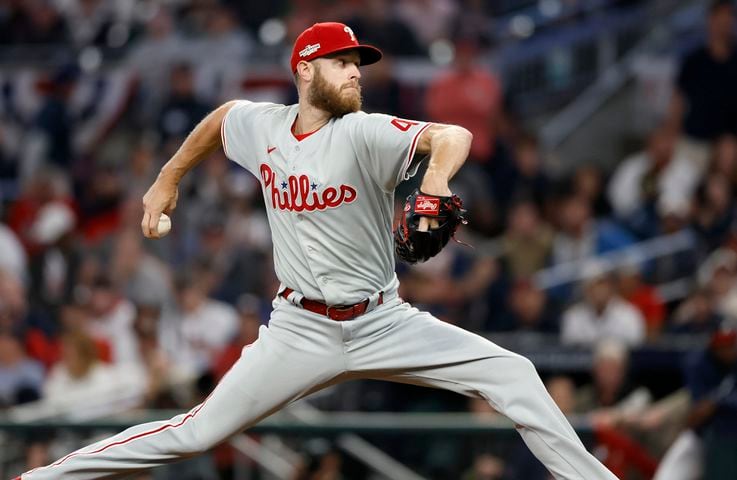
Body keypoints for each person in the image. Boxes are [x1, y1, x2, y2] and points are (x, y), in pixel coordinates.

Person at [18, 22, 617, 480]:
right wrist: (166, 179)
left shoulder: (363, 131)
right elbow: (222, 119)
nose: (356, 72)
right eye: (343, 62)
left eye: (359, 63)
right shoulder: (265, 127)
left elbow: (451, 136)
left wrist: (433, 184)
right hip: (299, 329)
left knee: (513, 373)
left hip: (384, 320)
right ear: (305, 69)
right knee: (194, 433)